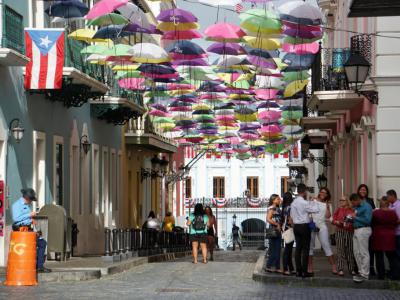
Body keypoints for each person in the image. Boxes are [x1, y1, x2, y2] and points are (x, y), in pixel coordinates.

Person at [11, 188, 51, 273]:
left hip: (29, 229)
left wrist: (31, 220)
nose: (31, 202)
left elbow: (26, 217)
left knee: (42, 243)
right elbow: (16, 218)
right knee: (39, 244)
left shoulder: (27, 205)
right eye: (31, 200)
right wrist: (29, 214)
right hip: (22, 231)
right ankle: (37, 266)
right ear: (27, 198)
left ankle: (38, 265)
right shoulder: (16, 205)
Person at [290, 183, 319, 278]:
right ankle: (304, 271)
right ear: (304, 192)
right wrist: (313, 201)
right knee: (306, 249)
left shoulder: (293, 203)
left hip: (296, 227)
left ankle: (298, 271)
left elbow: (291, 216)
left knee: (298, 248)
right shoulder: (304, 202)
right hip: (304, 226)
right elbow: (316, 209)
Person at [308, 187, 337, 275]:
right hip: (312, 225)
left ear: (327, 195)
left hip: (322, 225)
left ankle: (333, 266)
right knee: (310, 247)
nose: (323, 194)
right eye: (322, 192)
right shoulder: (313, 201)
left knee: (326, 245)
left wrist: (327, 206)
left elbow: (328, 216)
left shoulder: (328, 204)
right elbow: (308, 212)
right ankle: (310, 266)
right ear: (319, 193)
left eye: (325, 193)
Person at [372, 196, 399, 280]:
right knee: (392, 257)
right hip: (390, 236)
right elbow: (396, 222)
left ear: (380, 203)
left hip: (378, 235)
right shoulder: (393, 213)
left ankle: (381, 275)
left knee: (379, 256)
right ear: (388, 203)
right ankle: (395, 274)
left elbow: (372, 223)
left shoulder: (376, 213)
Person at [350, 193, 373, 283]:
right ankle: (360, 272)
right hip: (356, 230)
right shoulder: (357, 207)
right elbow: (356, 218)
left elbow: (368, 220)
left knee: (363, 252)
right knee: (356, 252)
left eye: (353, 203)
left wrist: (356, 217)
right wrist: (350, 219)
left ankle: (365, 274)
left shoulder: (367, 206)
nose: (353, 205)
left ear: (357, 200)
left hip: (364, 229)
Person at [332, 195, 356, 276]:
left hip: (349, 231)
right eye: (340, 200)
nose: (341, 201)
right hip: (339, 231)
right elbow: (333, 219)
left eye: (343, 200)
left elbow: (354, 219)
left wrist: (349, 222)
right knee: (340, 250)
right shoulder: (338, 209)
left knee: (349, 250)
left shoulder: (351, 210)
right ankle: (341, 269)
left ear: (347, 201)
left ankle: (351, 269)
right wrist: (336, 222)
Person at [357, 183, 376, 276]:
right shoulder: (356, 201)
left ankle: (370, 268)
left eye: (364, 190)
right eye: (361, 189)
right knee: (359, 250)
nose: (363, 191)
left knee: (369, 248)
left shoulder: (370, 200)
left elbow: (374, 212)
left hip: (368, 226)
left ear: (367, 191)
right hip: (359, 226)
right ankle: (360, 268)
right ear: (358, 191)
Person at [265, 194, 282, 273]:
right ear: (273, 200)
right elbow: (268, 219)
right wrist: (277, 224)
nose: (279, 200)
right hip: (274, 231)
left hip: (277, 230)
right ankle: (269, 266)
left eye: (279, 199)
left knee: (277, 250)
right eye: (277, 199)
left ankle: (276, 267)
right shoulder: (272, 208)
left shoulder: (277, 208)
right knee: (275, 250)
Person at [281, 192, 295, 275]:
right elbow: (290, 220)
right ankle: (286, 269)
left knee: (288, 249)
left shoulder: (284, 208)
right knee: (288, 250)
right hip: (289, 229)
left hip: (285, 229)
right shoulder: (290, 208)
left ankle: (291, 268)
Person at [387, 189, 400, 258]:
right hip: (392, 233)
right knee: (394, 254)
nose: (387, 198)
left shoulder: (398, 205)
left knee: (398, 253)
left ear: (393, 196)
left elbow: (399, 220)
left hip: (398, 233)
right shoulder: (390, 205)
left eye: (388, 196)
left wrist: (391, 224)